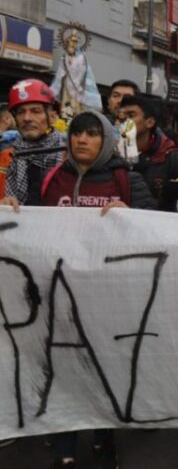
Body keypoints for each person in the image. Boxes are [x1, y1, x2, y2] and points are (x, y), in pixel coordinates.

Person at [1, 109, 155, 468]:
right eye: (77, 133)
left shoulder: (126, 179)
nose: (82, 140)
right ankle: (64, 448)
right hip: (58, 293)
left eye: (92, 134)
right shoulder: (53, 178)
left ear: (107, 140)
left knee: (106, 368)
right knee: (62, 369)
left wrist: (130, 214)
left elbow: (155, 224)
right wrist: (11, 210)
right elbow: (32, 222)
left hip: (110, 296)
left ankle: (104, 436)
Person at [120, 94, 178, 211]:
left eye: (131, 116)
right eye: (121, 116)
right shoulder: (110, 155)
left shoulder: (173, 159)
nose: (124, 120)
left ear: (150, 122)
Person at [4, 79, 66, 206]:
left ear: (53, 117)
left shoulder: (70, 157)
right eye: (21, 112)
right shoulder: (5, 157)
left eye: (35, 111)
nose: (27, 118)